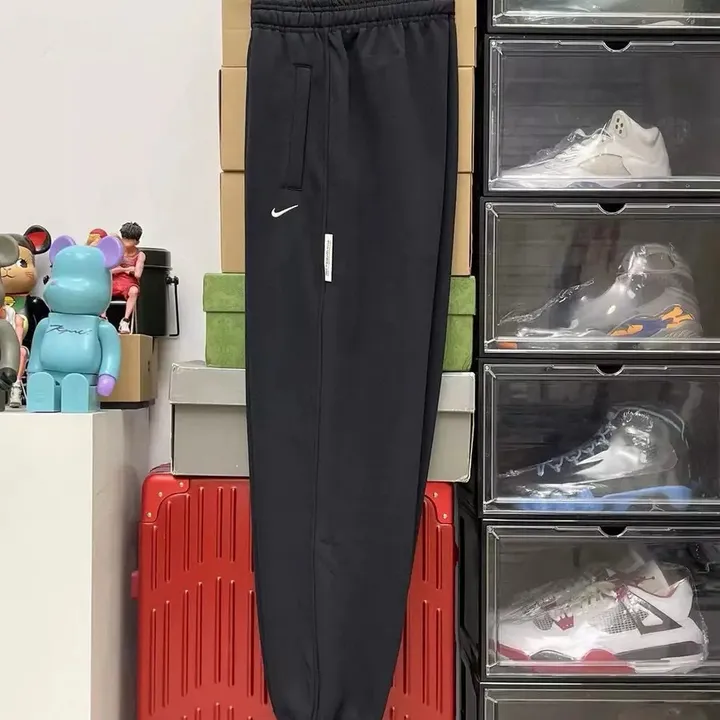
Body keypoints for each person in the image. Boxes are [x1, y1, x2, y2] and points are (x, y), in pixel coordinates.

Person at [112, 222, 145, 334]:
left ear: (137, 241)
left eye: (130, 239)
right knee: (102, 287)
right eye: (125, 238)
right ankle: (103, 317)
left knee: (134, 291)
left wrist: (122, 268)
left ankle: (125, 320)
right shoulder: (117, 250)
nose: (126, 242)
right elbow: (110, 270)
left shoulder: (140, 255)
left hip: (129, 282)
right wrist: (126, 269)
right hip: (114, 281)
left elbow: (138, 274)